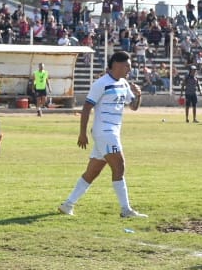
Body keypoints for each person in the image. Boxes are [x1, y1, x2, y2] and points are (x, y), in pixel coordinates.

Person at [58, 51, 147, 219]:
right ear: (117, 65)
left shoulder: (124, 83)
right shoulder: (101, 83)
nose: (130, 68)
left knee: (93, 172)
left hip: (113, 132)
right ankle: (126, 210)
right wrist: (82, 133)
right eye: (127, 65)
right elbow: (86, 108)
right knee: (119, 166)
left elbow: (133, 106)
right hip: (104, 132)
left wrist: (139, 95)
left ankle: (67, 205)